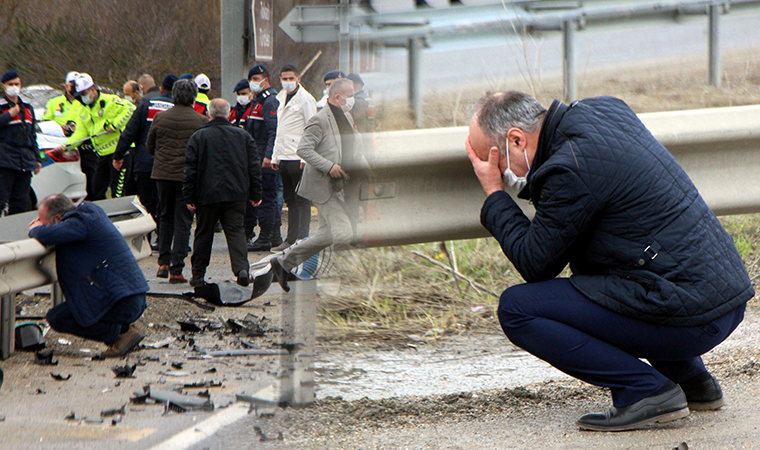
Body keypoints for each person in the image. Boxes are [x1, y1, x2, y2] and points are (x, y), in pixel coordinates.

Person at [465, 91, 754, 432]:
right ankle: (693, 382)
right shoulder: (604, 110)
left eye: (494, 159)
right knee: (614, 277)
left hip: (690, 318)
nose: (495, 169)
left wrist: (494, 192)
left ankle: (645, 391)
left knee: (518, 309)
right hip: (722, 299)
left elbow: (534, 262)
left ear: (516, 139)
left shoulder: (570, 167)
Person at [270, 78, 366, 291]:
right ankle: (349, 283)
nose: (353, 99)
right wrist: (329, 166)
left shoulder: (346, 116)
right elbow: (303, 150)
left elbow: (353, 147)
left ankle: (282, 263)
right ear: (337, 97)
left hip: (340, 185)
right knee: (343, 233)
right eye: (350, 95)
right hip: (323, 186)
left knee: (327, 235)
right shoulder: (320, 119)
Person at [28, 194, 149, 357]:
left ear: (58, 219)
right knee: (71, 312)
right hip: (131, 297)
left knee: (57, 318)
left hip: (123, 301)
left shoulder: (79, 224)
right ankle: (123, 330)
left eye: (43, 220)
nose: (41, 223)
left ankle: (121, 335)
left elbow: (48, 235)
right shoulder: (91, 214)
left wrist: (35, 229)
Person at [183, 98, 263, 287]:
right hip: (236, 193)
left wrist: (189, 195)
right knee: (236, 231)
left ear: (209, 114)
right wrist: (256, 193)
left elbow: (190, 169)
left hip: (206, 194)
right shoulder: (243, 136)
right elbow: (254, 166)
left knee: (203, 233)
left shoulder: (198, 136)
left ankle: (198, 275)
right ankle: (242, 270)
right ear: (228, 114)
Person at [147, 79, 208, 283]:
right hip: (186, 177)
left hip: (162, 174)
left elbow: (150, 147)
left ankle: (163, 261)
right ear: (194, 96)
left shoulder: (160, 118)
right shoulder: (200, 121)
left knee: (165, 216)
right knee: (184, 221)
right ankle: (176, 268)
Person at [113, 74, 177, 239]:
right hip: (171, 165)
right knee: (168, 205)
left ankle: (147, 239)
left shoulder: (145, 105)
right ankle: (165, 239)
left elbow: (129, 132)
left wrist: (119, 155)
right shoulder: (179, 107)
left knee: (147, 204)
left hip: (145, 162)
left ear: (161, 89)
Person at [53, 73, 135, 200]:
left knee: (118, 192)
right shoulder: (83, 109)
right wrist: (66, 146)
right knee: (96, 190)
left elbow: (130, 109)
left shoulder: (111, 101)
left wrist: (114, 125)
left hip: (119, 153)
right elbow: (81, 133)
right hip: (102, 154)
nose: (83, 98)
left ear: (93, 89)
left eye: (85, 93)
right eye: (80, 95)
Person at [271, 64, 318, 252]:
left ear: (298, 78)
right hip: (284, 155)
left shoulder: (306, 100)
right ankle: (290, 239)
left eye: (291, 78)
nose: (288, 82)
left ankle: (302, 238)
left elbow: (312, 129)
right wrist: (275, 156)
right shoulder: (280, 98)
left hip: (298, 156)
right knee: (290, 199)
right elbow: (279, 130)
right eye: (284, 78)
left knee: (302, 198)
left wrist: (307, 158)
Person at [242, 64, 281, 252]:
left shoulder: (269, 101)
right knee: (264, 196)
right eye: (252, 79)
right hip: (255, 156)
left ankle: (266, 236)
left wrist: (268, 156)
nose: (253, 83)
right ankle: (272, 236)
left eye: (257, 79)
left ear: (265, 80)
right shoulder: (257, 101)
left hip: (264, 158)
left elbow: (274, 131)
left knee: (266, 196)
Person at [0, 70, 42, 216]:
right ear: (4, 86)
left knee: (21, 202)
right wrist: (9, 115)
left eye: (17, 84)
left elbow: (32, 136)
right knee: (1, 200)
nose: (14, 87)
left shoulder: (28, 108)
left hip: (25, 161)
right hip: (5, 161)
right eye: (10, 84)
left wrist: (37, 159)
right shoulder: (1, 106)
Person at [42, 71, 81, 136]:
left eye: (78, 85)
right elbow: (46, 123)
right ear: (66, 86)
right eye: (73, 85)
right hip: (58, 139)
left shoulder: (85, 103)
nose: (76, 88)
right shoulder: (54, 102)